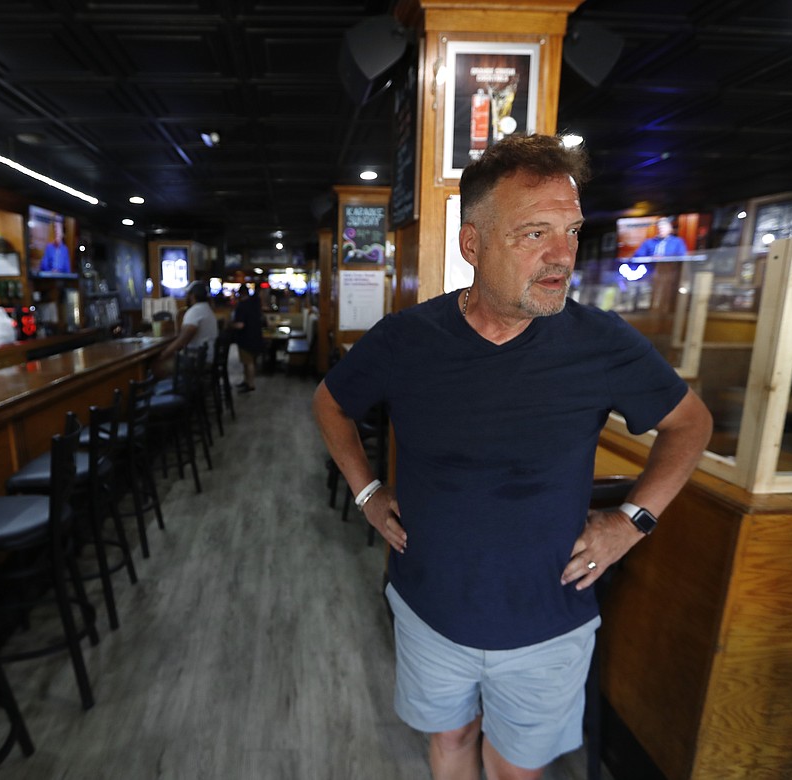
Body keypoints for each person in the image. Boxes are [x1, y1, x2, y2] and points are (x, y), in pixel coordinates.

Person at [312, 134, 712, 780]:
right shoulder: (407, 340)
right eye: (534, 235)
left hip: (549, 622)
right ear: (472, 245)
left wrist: (630, 522)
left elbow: (691, 424)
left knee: (514, 768)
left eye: (572, 231)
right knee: (450, 743)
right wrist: (365, 491)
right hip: (429, 610)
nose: (562, 256)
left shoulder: (600, 342)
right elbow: (330, 403)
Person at [158, 279, 218, 366]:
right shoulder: (207, 309)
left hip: (197, 361)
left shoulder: (195, 311)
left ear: (192, 296)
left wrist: (164, 354)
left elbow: (183, 340)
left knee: (158, 365)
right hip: (207, 357)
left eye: (187, 295)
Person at [230, 283, 265, 392]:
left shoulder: (241, 306)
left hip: (245, 338)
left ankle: (250, 384)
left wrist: (230, 325)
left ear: (240, 293)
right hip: (255, 336)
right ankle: (246, 382)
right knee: (248, 362)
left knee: (248, 362)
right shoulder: (254, 304)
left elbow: (240, 325)